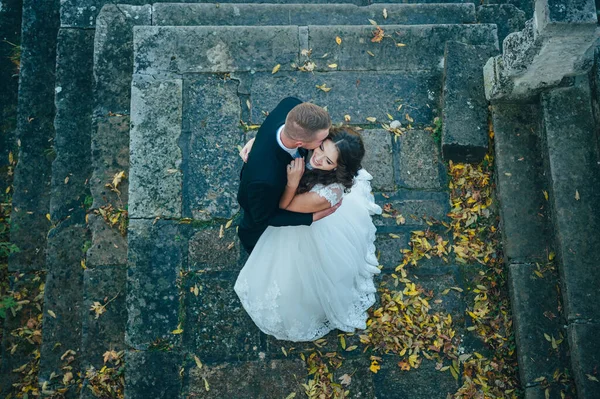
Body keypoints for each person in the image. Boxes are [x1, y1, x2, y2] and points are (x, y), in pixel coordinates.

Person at [234, 125, 382, 342]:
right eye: (321, 147)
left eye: (328, 161)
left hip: (303, 232)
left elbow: (284, 206)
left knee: (295, 275)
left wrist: (293, 182)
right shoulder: (312, 146)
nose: (318, 158)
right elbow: (294, 137)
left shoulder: (328, 193)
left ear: (338, 168)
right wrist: (257, 145)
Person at [236, 97, 340, 254]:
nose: (323, 143)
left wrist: (258, 139)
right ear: (299, 144)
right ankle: (253, 249)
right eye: (320, 141)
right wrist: (311, 218)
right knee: (253, 228)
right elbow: (263, 218)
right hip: (258, 198)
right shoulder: (264, 180)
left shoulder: (291, 105)